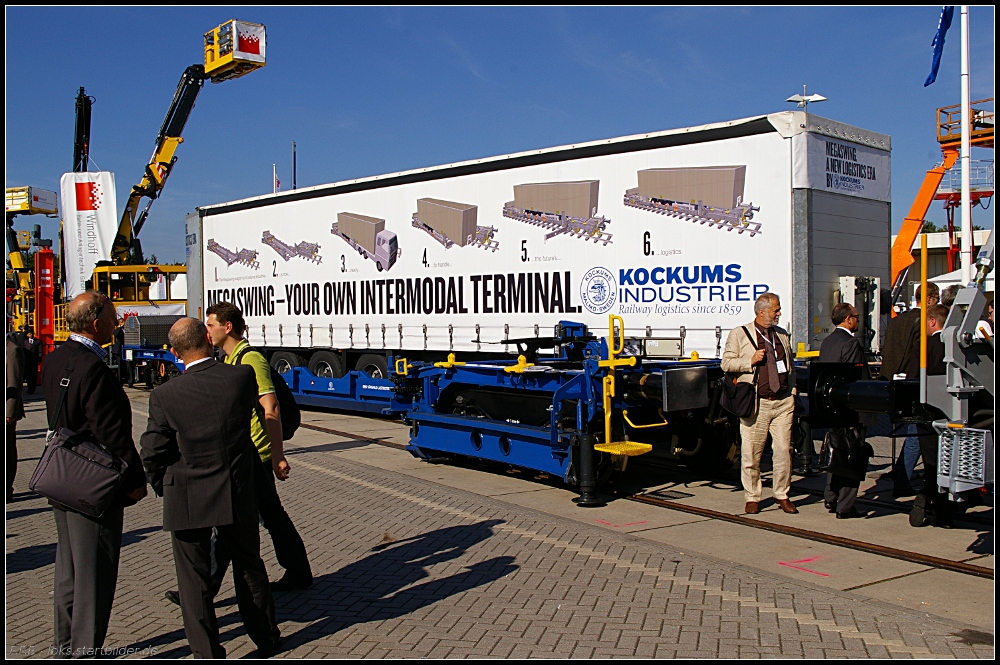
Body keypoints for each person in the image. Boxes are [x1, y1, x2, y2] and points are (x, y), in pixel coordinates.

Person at [140, 318, 281, 658]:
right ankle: (265, 637)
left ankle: (206, 651)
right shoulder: (240, 377)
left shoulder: (164, 395)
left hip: (186, 494)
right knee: (249, 565)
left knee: (193, 580)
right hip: (235, 489)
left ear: (174, 353)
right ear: (208, 338)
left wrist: (164, 485)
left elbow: (153, 451)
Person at [163, 301, 312, 607]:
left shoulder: (250, 360)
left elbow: (271, 408)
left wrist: (276, 456)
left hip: (254, 454)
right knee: (267, 516)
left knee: (231, 521)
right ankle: (298, 571)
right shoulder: (230, 360)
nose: (206, 330)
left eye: (210, 324)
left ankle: (203, 588)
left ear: (226, 327)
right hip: (245, 453)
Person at [41, 292, 148, 657]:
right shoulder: (93, 368)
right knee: (94, 576)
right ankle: (85, 650)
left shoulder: (56, 359)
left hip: (62, 476)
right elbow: (113, 434)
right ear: (96, 322)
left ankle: (65, 645)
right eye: (115, 316)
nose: (118, 322)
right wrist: (135, 481)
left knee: (68, 569)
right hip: (93, 485)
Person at [722, 292, 798, 515]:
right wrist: (750, 361)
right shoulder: (740, 334)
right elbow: (726, 363)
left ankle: (782, 494)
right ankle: (753, 496)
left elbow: (790, 365)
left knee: (784, 450)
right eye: (776, 309)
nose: (779, 313)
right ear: (761, 311)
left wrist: (792, 391)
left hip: (783, 402)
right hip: (758, 404)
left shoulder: (781, 334)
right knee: (751, 454)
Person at [880, 283, 939, 497]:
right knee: (917, 434)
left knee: (913, 434)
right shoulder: (923, 323)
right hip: (915, 385)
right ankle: (903, 479)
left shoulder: (898, 321)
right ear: (931, 299)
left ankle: (901, 475)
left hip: (896, 381)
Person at [817, 303, 874, 519]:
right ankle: (846, 505)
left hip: (832, 408)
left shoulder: (828, 341)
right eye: (857, 317)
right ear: (848, 319)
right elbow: (853, 380)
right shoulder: (851, 343)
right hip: (849, 410)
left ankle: (831, 497)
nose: (858, 321)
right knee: (852, 456)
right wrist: (853, 414)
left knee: (835, 451)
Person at [905, 304, 952, 528]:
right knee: (951, 461)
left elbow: (913, 379)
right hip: (953, 412)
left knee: (933, 463)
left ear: (933, 322)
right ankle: (945, 510)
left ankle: (931, 502)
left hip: (928, 412)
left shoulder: (924, 346)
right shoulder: (956, 346)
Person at [6, 329, 25, 502]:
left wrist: (10, 412)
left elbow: (15, 381)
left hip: (6, 411)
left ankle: (7, 488)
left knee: (7, 451)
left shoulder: (11, 350)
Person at [21, 328, 41, 394]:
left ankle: (32, 389)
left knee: (33, 376)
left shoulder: (38, 342)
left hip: (34, 361)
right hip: (27, 361)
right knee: (27, 375)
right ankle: (29, 388)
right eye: (29, 334)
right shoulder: (25, 342)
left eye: (32, 333)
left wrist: (39, 359)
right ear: (27, 335)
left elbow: (40, 351)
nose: (31, 335)